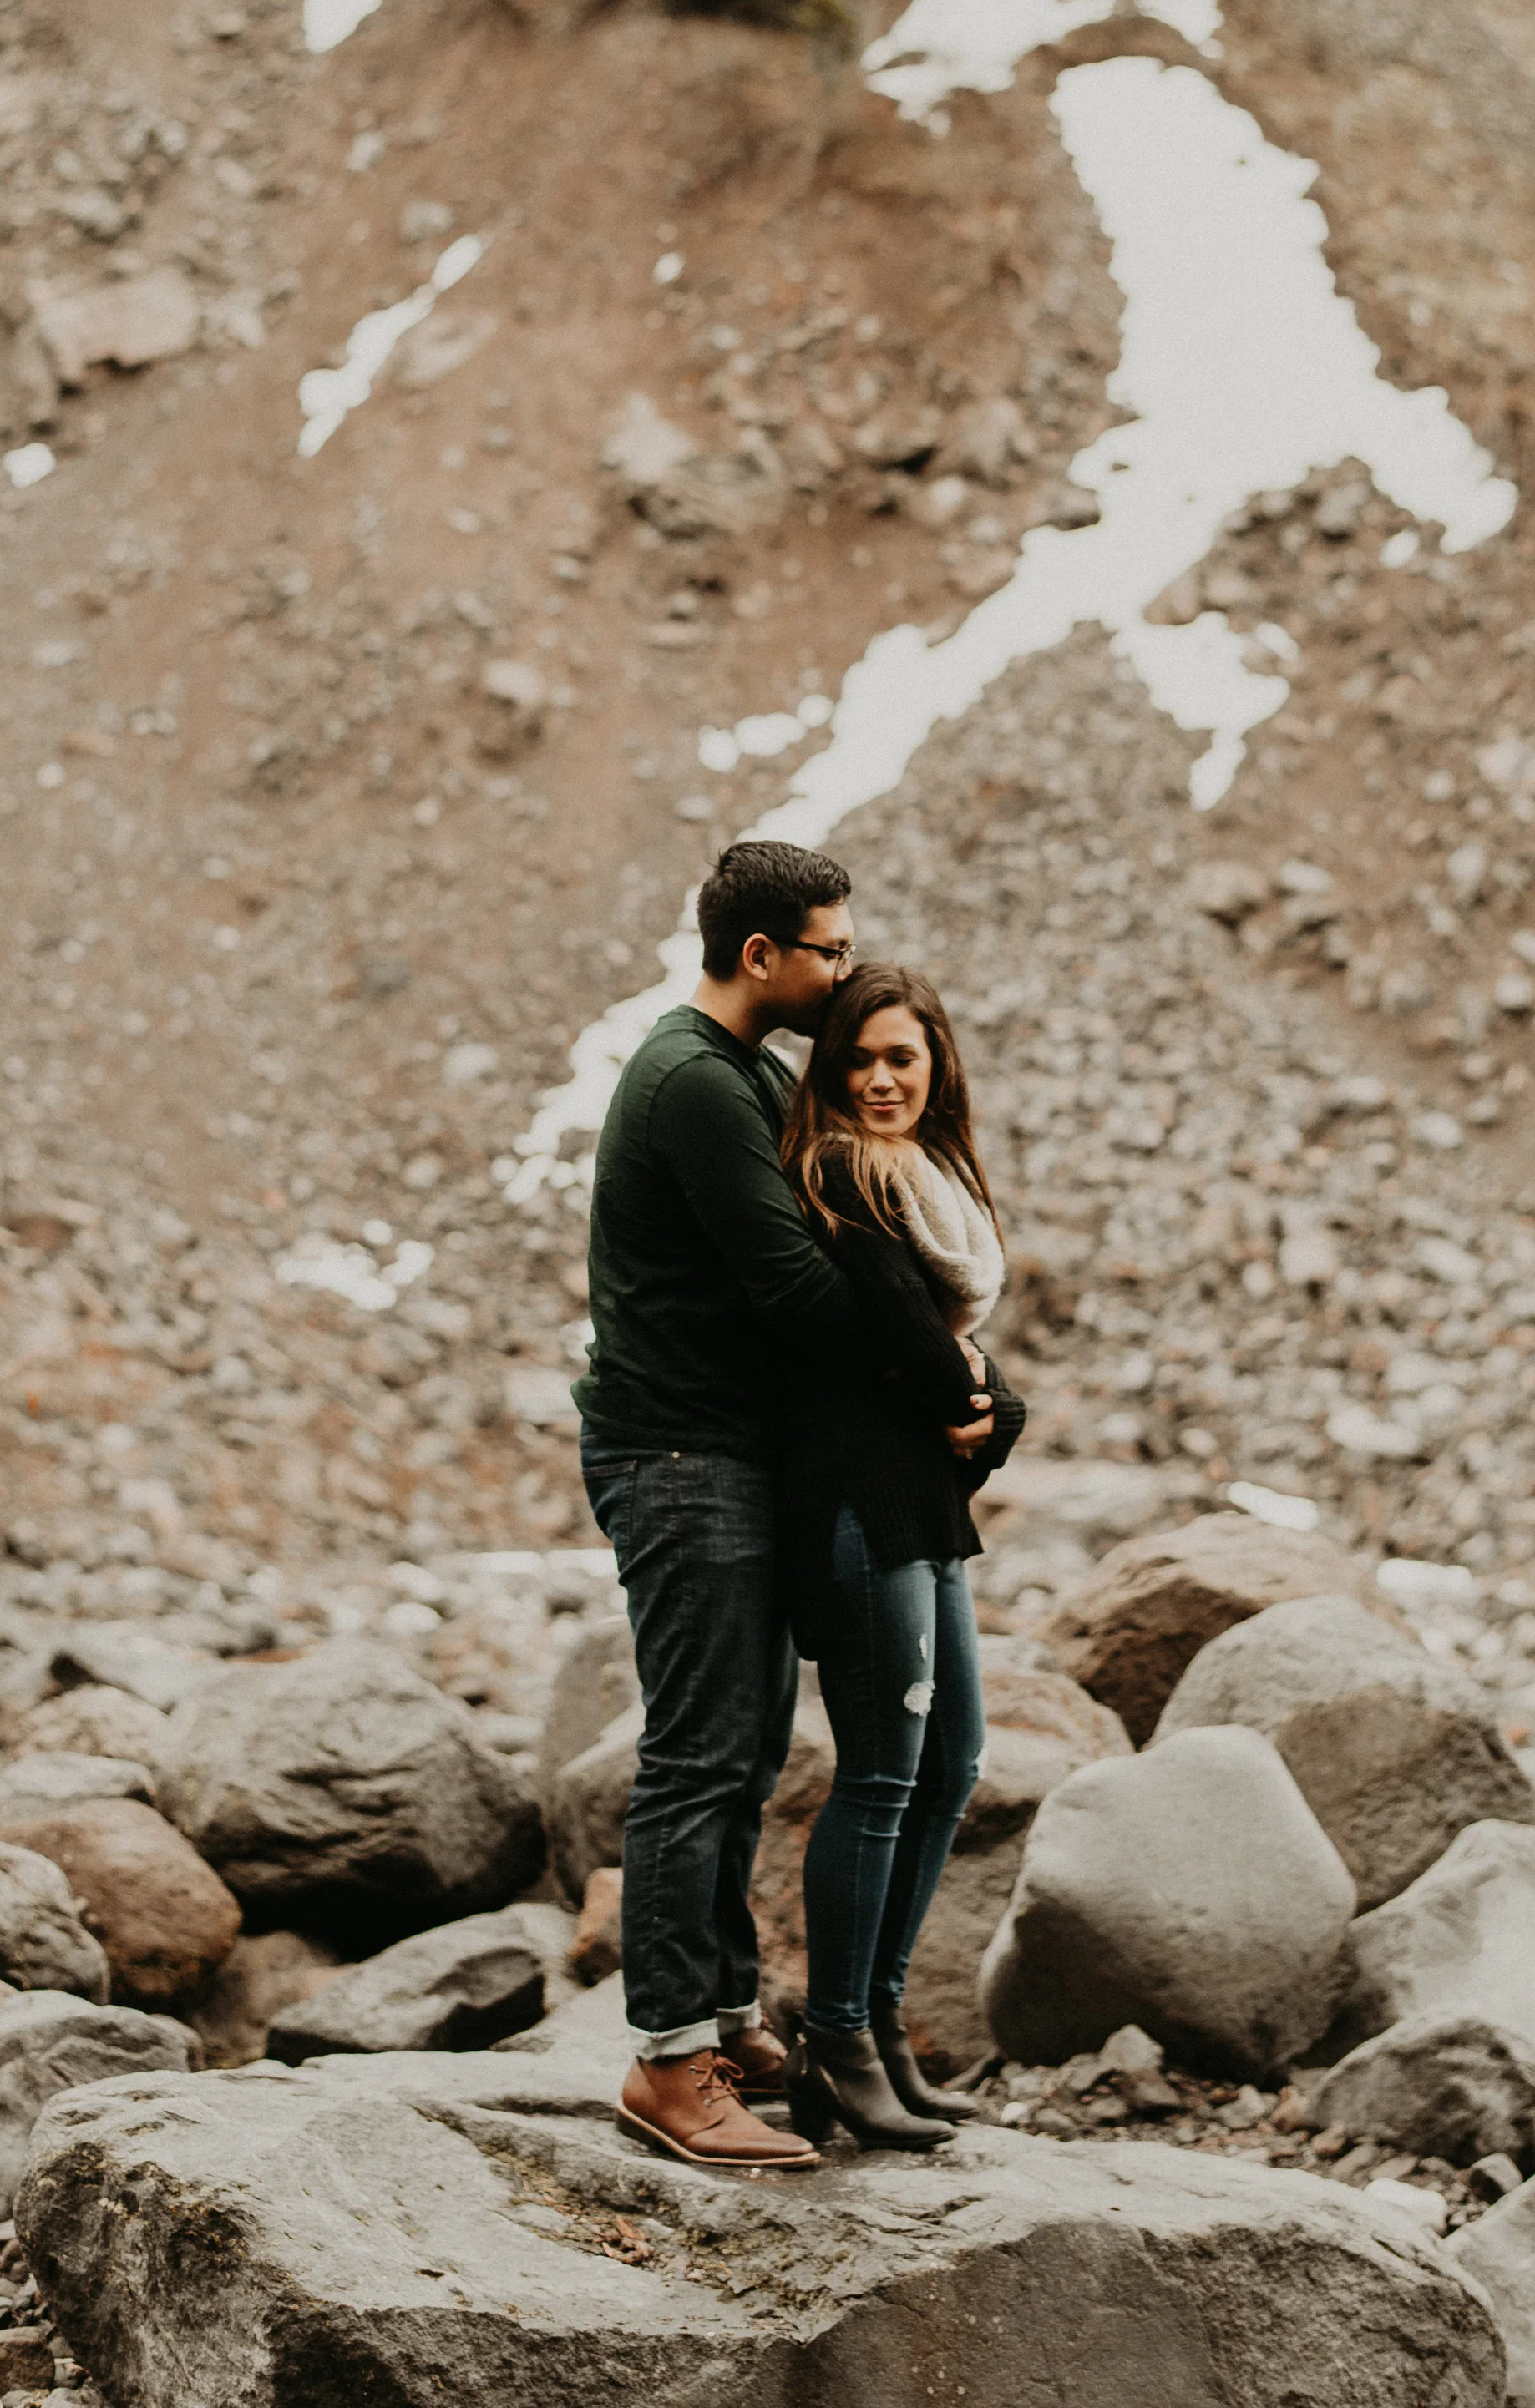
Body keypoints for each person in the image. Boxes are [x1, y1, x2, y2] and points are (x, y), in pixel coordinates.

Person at [577, 838, 870, 2172]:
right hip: (680, 1459)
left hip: (725, 1455)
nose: (847, 969)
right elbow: (793, 1284)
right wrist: (935, 1369)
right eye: (831, 949)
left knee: (747, 1750)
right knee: (699, 1754)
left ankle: (727, 2019)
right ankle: (666, 2062)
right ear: (762, 956)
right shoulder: (695, 1081)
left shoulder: (746, 1069)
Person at [777, 962, 1025, 2150]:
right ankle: (834, 2040)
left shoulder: (931, 1184)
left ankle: (877, 2029)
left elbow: (942, 1361)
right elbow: (915, 1353)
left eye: (902, 1059)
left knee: (954, 1765)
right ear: (832, 1072)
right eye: (861, 1060)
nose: (881, 1080)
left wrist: (981, 1397)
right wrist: (971, 1390)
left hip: (917, 1502)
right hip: (854, 1503)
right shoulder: (839, 1176)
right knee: (881, 1776)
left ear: (936, 1066)